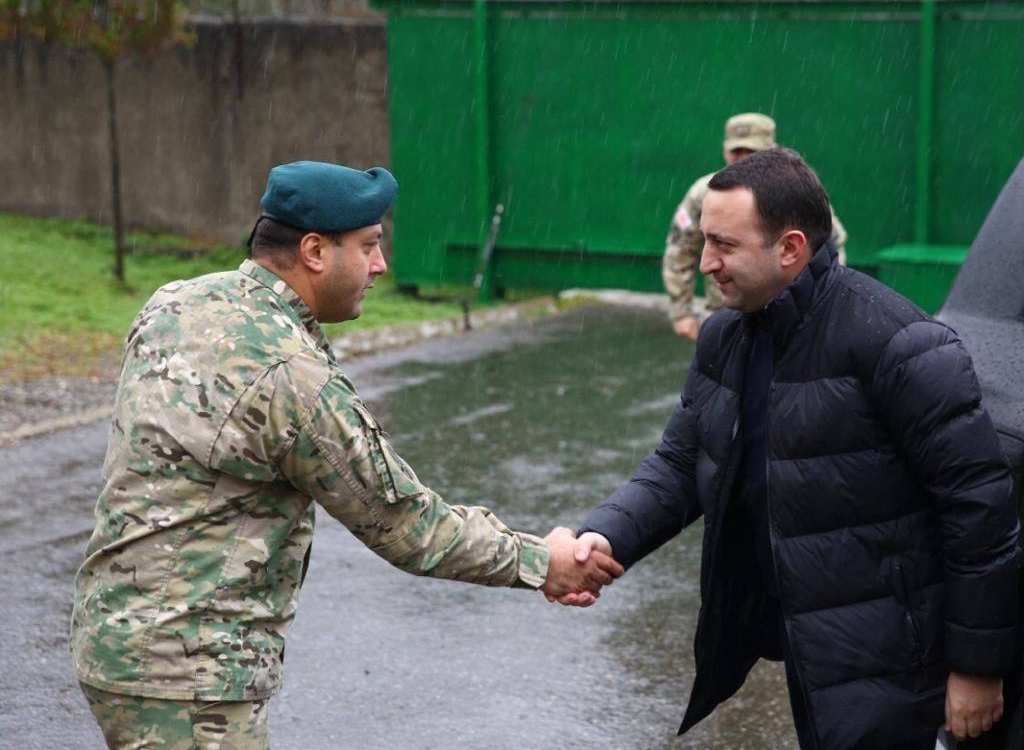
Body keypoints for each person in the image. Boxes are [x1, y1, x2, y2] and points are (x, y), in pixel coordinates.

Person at [70, 161, 623, 748]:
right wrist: (543, 562)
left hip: (114, 638)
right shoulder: (290, 375)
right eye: (368, 246)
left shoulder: (176, 302)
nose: (381, 265)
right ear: (314, 251)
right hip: (188, 675)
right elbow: (407, 526)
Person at [559, 148, 1019, 748]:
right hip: (808, 642)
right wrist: (606, 535)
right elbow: (680, 463)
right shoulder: (725, 337)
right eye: (705, 241)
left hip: (891, 657)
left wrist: (978, 667)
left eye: (723, 245)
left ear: (790, 249)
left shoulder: (900, 344)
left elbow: (980, 512)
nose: (705, 262)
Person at [663, 112, 848, 340]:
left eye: (752, 152)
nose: (743, 159)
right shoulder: (705, 193)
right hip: (724, 315)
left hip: (791, 320)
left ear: (772, 149)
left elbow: (831, 245)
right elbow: (680, 248)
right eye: (737, 151)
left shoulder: (796, 190)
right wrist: (681, 311)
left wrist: (825, 306)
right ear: (725, 151)